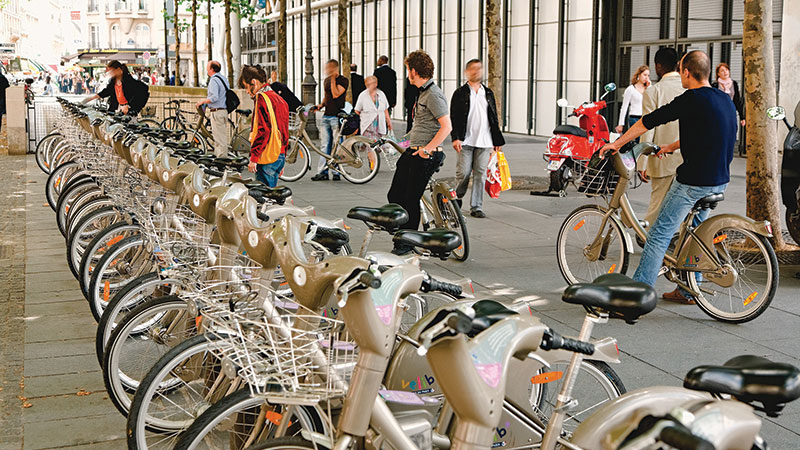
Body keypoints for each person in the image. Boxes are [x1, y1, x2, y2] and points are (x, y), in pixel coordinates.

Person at [600, 50, 738, 304]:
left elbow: (648, 122)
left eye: (681, 70)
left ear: (687, 72)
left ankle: (636, 298)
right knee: (695, 234)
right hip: (719, 179)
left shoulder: (691, 98)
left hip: (693, 183)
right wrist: (670, 147)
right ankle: (688, 290)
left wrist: (616, 144)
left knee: (658, 235)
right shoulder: (724, 99)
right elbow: (705, 133)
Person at [387, 50, 452, 255]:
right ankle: (401, 230)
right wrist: (397, 141)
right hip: (414, 152)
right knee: (395, 194)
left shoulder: (433, 94)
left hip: (425, 155)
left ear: (414, 71)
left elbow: (446, 126)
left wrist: (426, 150)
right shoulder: (423, 92)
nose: (407, 75)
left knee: (410, 199)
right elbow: (420, 126)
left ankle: (406, 243)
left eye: (408, 70)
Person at [450, 59, 505, 219]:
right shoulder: (460, 93)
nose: (476, 72)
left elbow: (494, 117)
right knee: (464, 173)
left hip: (485, 141)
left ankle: (476, 206)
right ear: (467, 72)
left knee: (480, 174)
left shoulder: (487, 93)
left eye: (479, 69)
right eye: (473, 69)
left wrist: (497, 141)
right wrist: (456, 138)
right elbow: (454, 116)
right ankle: (457, 200)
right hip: (465, 141)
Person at [639, 47, 685, 233]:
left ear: (658, 67)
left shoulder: (654, 92)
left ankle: (647, 238)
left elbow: (647, 128)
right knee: (683, 206)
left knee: (657, 203)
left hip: (661, 159)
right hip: (687, 158)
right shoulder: (688, 88)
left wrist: (642, 163)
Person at [239, 65, 290, 188]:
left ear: (254, 83)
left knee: (264, 199)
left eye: (246, 87)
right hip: (279, 154)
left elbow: (263, 131)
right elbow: (284, 131)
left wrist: (254, 158)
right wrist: (283, 157)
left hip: (267, 155)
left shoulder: (262, 98)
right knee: (271, 195)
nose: (246, 92)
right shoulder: (279, 99)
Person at [311, 59, 349, 181]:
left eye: (329, 69)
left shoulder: (343, 80)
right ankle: (323, 171)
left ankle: (336, 171)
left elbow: (336, 94)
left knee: (336, 146)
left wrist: (333, 78)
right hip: (326, 116)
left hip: (336, 117)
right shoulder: (326, 80)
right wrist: (320, 105)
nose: (327, 71)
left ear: (335, 68)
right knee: (325, 145)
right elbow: (327, 95)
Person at [83, 60, 150, 118]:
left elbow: (143, 90)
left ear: (119, 70)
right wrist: (92, 98)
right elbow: (107, 91)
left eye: (112, 71)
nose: (111, 74)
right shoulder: (113, 81)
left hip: (128, 111)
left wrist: (131, 106)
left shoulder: (128, 81)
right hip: (117, 109)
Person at [196, 61, 231, 156]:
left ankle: (222, 163)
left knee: (220, 141)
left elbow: (215, 97)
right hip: (223, 111)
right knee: (219, 139)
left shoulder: (214, 80)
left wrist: (203, 101)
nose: (206, 69)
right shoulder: (223, 78)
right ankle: (219, 161)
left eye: (208, 67)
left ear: (212, 69)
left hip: (217, 112)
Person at [354, 75, 392, 139]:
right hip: (367, 126)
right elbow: (357, 111)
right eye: (371, 84)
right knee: (368, 146)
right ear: (367, 85)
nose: (374, 85)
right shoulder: (363, 95)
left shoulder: (381, 94)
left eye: (375, 83)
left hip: (380, 126)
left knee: (380, 146)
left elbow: (385, 109)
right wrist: (356, 126)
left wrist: (389, 122)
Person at [616, 65, 650, 135]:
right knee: (638, 141)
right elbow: (624, 107)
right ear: (639, 75)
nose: (646, 77)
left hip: (646, 118)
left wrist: (649, 87)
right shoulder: (630, 89)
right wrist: (621, 124)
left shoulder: (649, 88)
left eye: (648, 75)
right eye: (644, 75)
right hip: (634, 118)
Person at [711, 63, 745, 127]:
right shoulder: (715, 85)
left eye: (726, 70)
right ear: (718, 74)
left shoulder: (734, 84)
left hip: (730, 112)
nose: (725, 72)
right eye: (722, 71)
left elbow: (737, 101)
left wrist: (742, 117)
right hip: (718, 113)